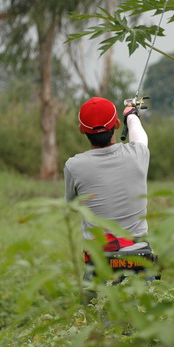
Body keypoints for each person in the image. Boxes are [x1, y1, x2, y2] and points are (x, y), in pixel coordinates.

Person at [64, 97, 153, 279]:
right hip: (140, 260)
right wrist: (132, 115)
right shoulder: (138, 154)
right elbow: (140, 137)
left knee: (96, 308)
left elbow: (72, 205)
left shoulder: (74, 166)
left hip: (99, 263)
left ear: (82, 130)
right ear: (117, 124)